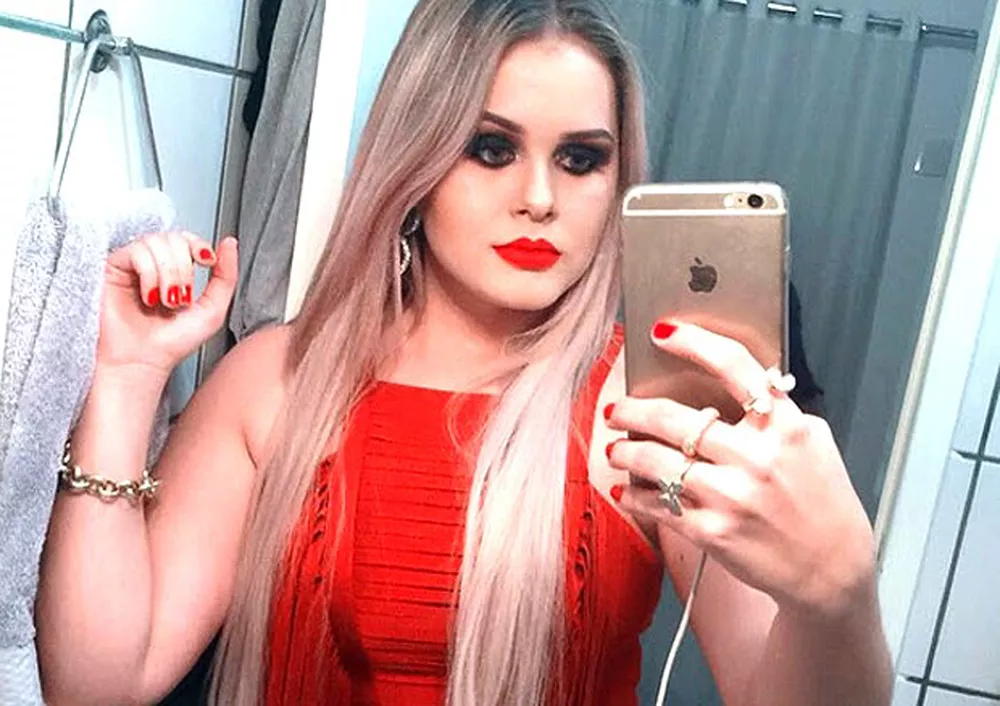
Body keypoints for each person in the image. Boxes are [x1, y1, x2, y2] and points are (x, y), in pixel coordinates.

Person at [34, 1, 892, 704]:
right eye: (491, 148)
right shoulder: (275, 381)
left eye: (581, 159)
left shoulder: (646, 408)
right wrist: (126, 379)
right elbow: (99, 685)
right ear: (416, 160)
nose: (539, 198)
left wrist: (839, 594)